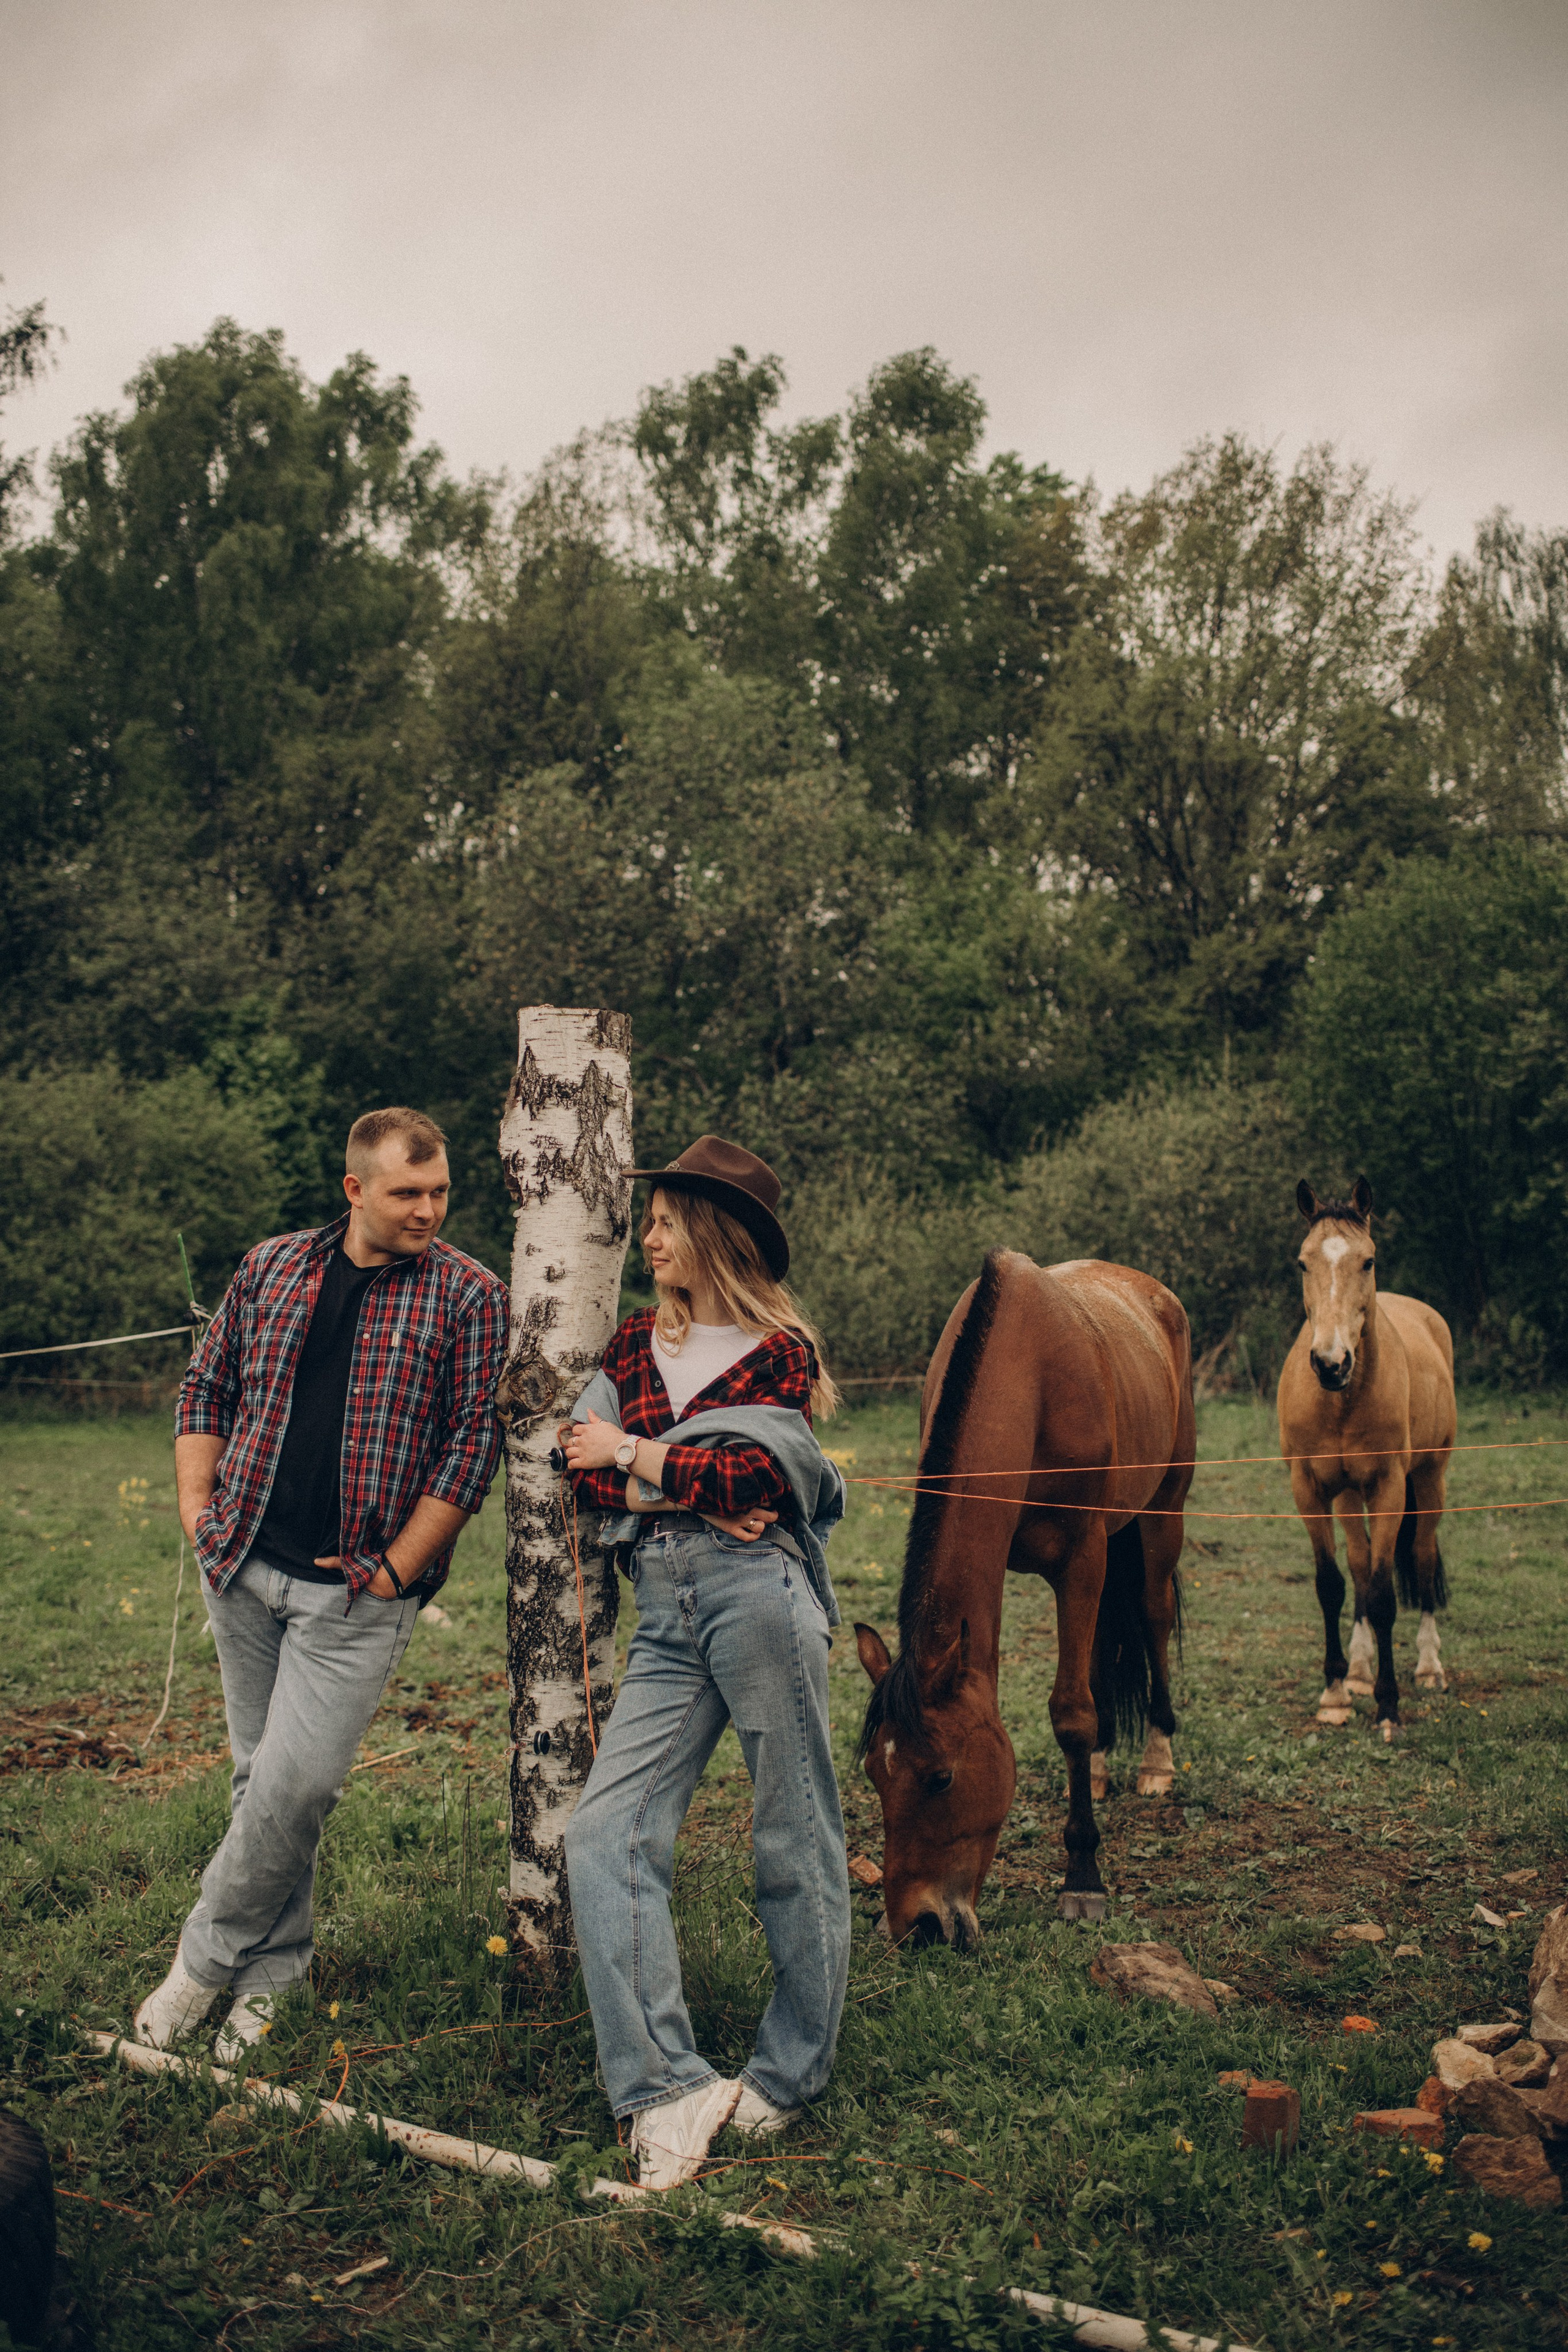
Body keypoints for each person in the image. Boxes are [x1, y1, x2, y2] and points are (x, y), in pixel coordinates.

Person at [133, 1107, 509, 2062]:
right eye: (406, 1193)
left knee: (296, 1788)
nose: (428, 1210)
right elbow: (205, 1388)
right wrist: (195, 1511)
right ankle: (276, 1973)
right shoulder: (270, 1267)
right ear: (355, 1190)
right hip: (244, 1561)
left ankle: (202, 1964)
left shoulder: (469, 1295)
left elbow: (473, 1447)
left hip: (356, 1593)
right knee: (260, 1784)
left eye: (440, 1193)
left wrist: (399, 1569)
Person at [561, 1135, 851, 2190]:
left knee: (793, 1830)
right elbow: (583, 1471)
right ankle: (664, 2085)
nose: (649, 1237)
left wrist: (636, 1457)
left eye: (665, 1221)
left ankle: (790, 2071)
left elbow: (762, 1477)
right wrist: (684, 1481)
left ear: (713, 1236)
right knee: (604, 1834)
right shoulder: (639, 1343)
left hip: (762, 1598)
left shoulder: (780, 1350)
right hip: (669, 1612)